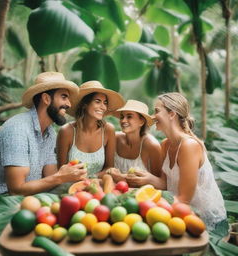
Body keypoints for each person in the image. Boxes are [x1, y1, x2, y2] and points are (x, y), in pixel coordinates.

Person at [0, 71, 87, 197]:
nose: (69, 104)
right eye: (64, 97)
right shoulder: (17, 129)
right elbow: (16, 190)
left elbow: (50, 177)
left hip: (30, 199)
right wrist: (60, 177)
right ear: (46, 99)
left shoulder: (50, 133)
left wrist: (71, 174)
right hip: (0, 204)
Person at [133, 92, 226, 230]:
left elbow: (184, 199)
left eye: (157, 111)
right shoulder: (165, 144)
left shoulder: (189, 146)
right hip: (182, 214)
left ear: (172, 114)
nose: (152, 116)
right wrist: (146, 179)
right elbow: (166, 183)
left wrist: (145, 206)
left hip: (206, 222)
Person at [56, 80, 125, 178]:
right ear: (85, 104)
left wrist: (90, 179)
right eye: (97, 101)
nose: (103, 107)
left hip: (96, 187)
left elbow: (109, 168)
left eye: (105, 103)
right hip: (70, 188)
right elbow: (61, 171)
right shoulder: (67, 132)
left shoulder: (108, 130)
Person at [107, 100, 162, 186]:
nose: (123, 120)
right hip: (114, 192)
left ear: (142, 122)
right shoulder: (114, 138)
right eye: (122, 117)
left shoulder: (151, 145)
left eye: (129, 116)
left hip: (141, 196)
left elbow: (159, 182)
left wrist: (121, 177)